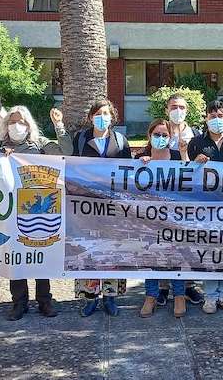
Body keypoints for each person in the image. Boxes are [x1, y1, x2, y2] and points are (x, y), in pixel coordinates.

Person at [0, 101, 64, 320]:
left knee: (39, 253)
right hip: (8, 210)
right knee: (16, 257)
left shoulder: (40, 145)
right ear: (6, 124)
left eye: (21, 122)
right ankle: (19, 302)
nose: (16, 126)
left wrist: (58, 126)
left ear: (29, 125)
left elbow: (65, 152)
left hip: (36, 212)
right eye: (12, 122)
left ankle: (44, 300)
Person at [71, 99, 132, 316]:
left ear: (112, 117)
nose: (102, 117)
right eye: (98, 113)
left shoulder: (120, 140)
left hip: (112, 206)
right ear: (90, 117)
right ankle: (89, 298)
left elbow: (128, 172)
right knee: (88, 249)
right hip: (86, 205)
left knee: (112, 249)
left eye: (106, 113)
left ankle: (110, 297)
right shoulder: (80, 139)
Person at [187, 100, 223, 314]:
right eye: (212, 116)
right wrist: (196, 162)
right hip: (205, 206)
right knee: (210, 251)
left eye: (220, 115)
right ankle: (210, 296)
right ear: (205, 119)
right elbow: (185, 172)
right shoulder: (196, 142)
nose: (216, 119)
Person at [137, 119, 192, 318]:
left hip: (175, 216)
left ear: (170, 138)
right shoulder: (141, 158)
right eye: (157, 135)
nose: (161, 138)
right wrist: (140, 165)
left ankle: (179, 295)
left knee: (177, 254)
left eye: (165, 135)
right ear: (149, 136)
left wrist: (185, 154)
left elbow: (190, 177)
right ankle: (150, 296)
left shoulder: (177, 156)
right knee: (151, 255)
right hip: (149, 218)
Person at [155, 94, 206, 307]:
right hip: (163, 195)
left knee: (188, 240)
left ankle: (187, 286)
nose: (178, 110)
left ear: (188, 110)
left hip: (188, 197)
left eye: (182, 107)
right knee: (163, 239)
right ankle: (163, 287)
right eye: (174, 106)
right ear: (167, 109)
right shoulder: (160, 131)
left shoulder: (196, 133)